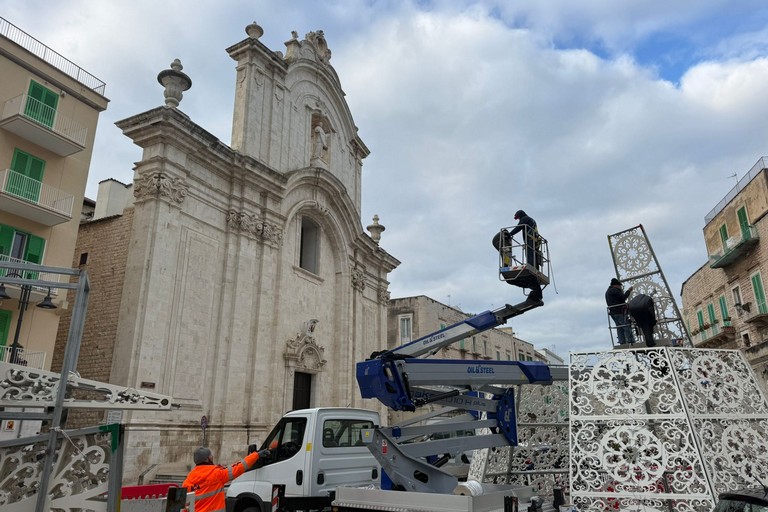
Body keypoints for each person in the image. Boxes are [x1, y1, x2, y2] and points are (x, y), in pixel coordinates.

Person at [183, 445, 270, 512]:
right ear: (207, 459)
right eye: (210, 455)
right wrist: (256, 455)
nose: (212, 457)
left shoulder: (188, 480)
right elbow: (239, 467)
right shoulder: (217, 474)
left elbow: (184, 505)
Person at [605, 278, 635, 345]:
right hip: (619, 311)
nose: (620, 287)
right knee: (625, 325)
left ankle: (622, 342)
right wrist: (628, 291)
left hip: (613, 312)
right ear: (616, 285)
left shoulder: (608, 291)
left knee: (619, 327)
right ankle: (630, 341)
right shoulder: (615, 290)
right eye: (619, 286)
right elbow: (623, 297)